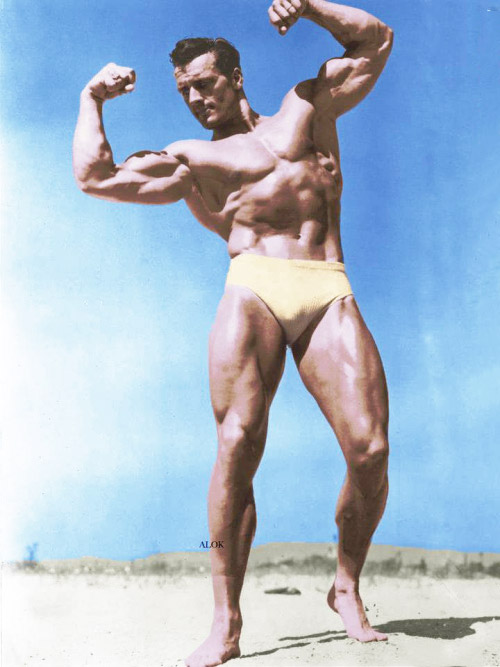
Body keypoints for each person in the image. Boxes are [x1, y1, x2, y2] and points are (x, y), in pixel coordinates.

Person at [73, 1, 394, 664]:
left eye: (205, 83)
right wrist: (90, 100)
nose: (194, 97)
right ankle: (226, 620)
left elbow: (376, 42)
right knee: (238, 441)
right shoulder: (191, 159)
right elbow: (95, 177)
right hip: (252, 286)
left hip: (326, 282)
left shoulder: (306, 109)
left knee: (369, 450)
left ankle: (346, 584)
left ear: (236, 76)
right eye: (184, 89)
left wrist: (308, 7)